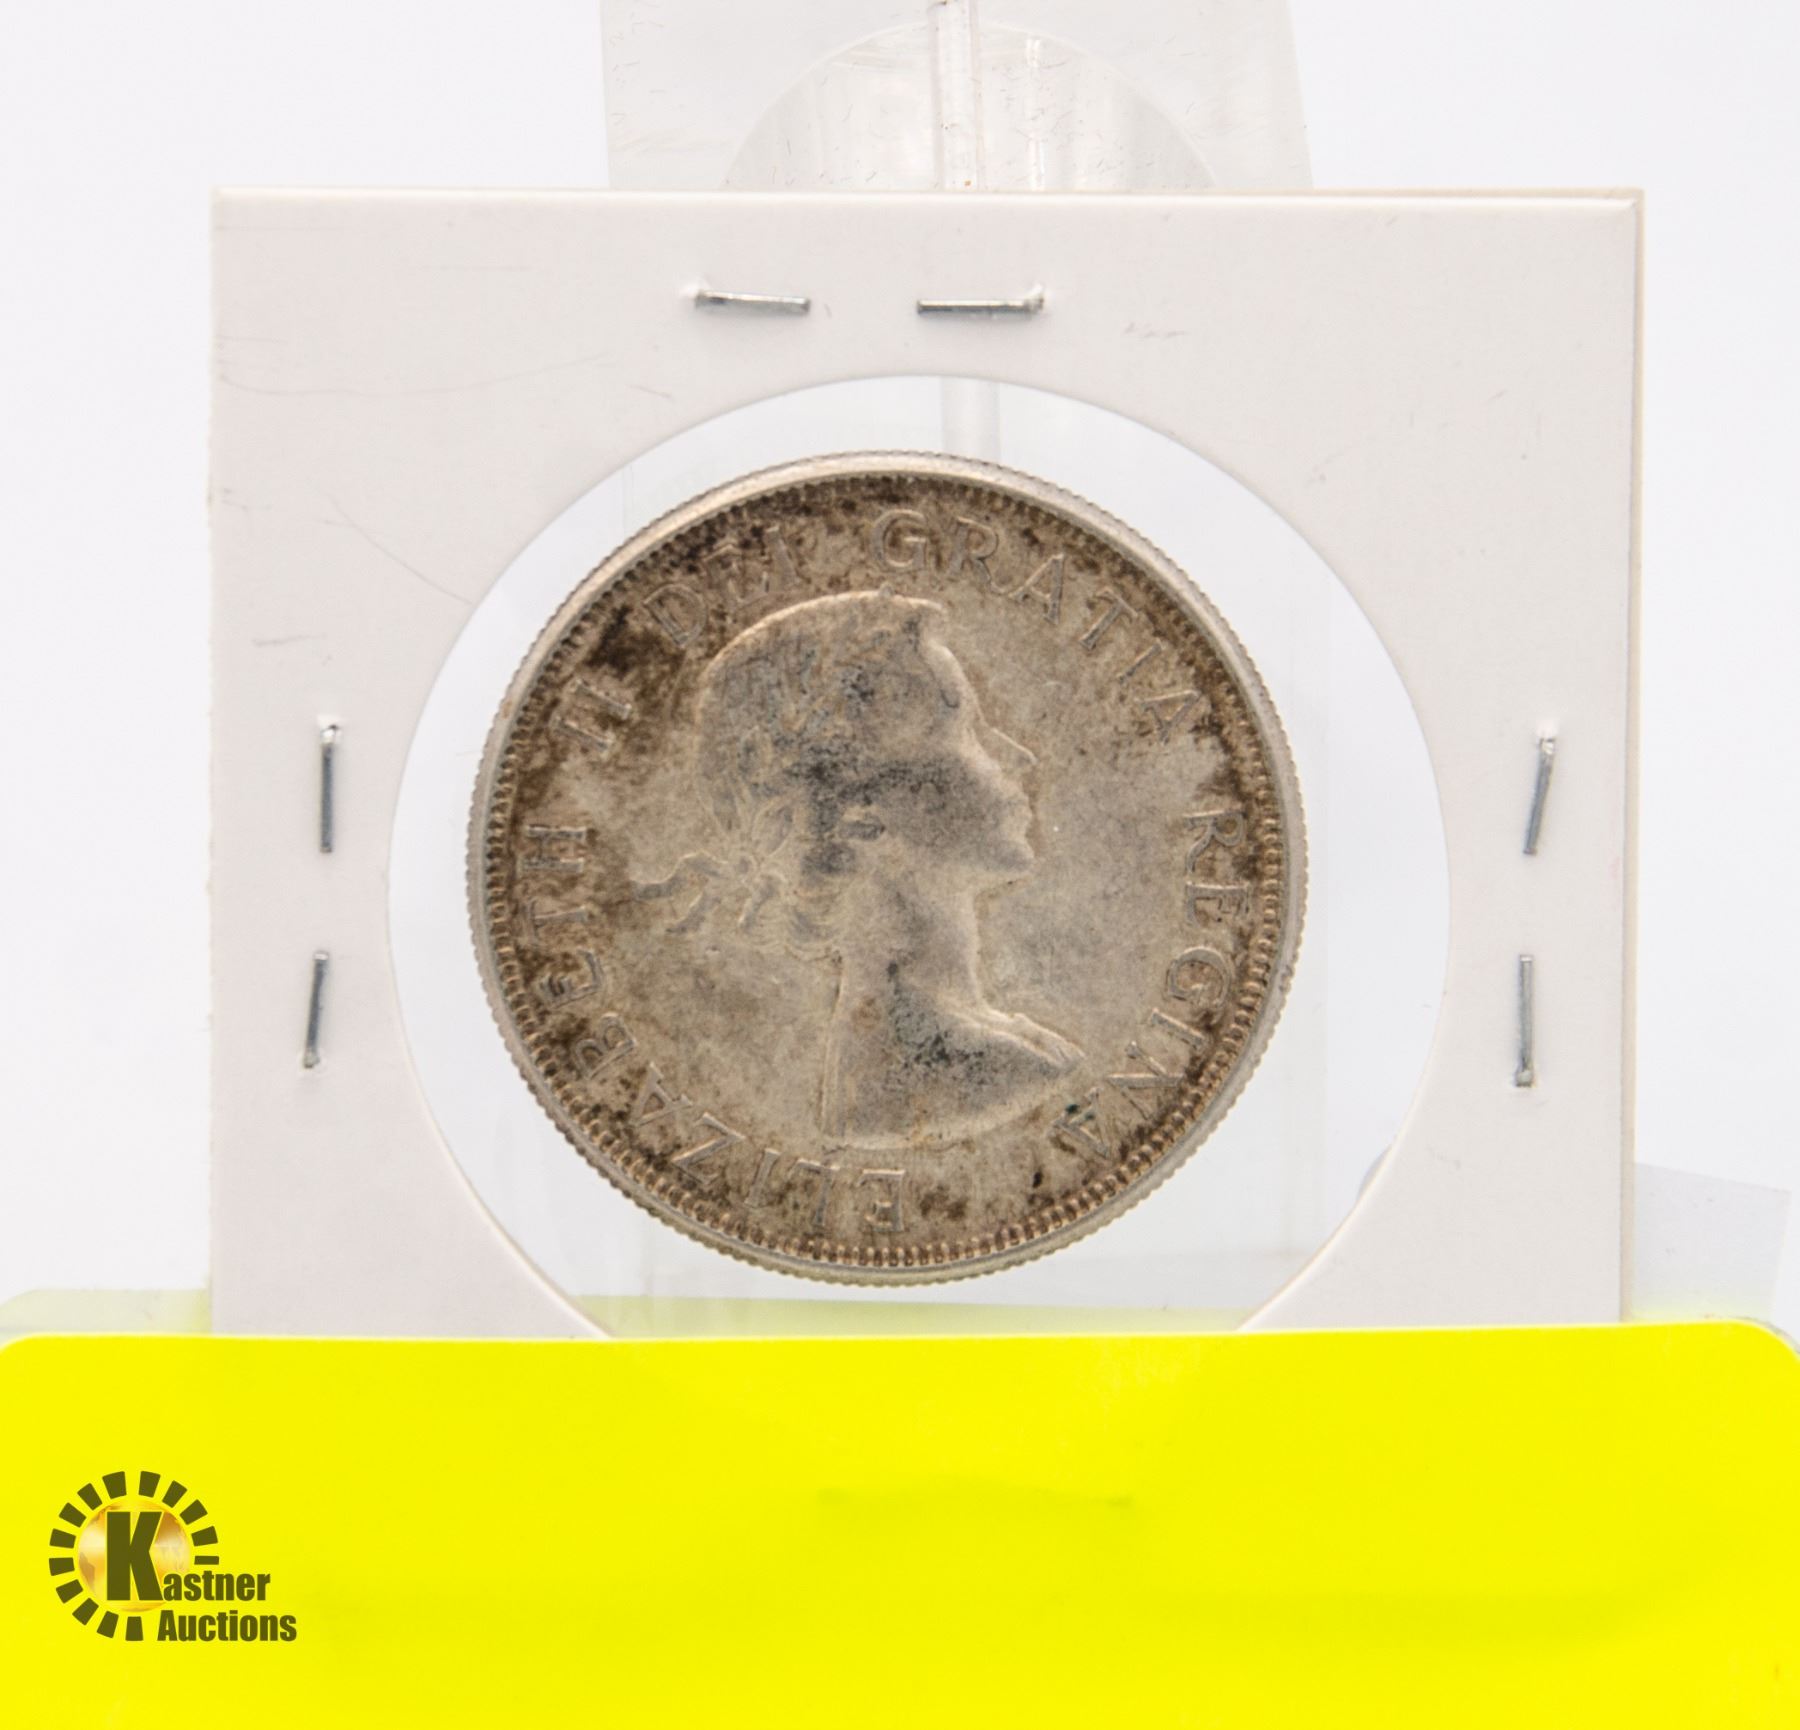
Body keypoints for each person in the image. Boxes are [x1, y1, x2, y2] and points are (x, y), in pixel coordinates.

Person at [687, 589, 1080, 1148]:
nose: (1020, 757)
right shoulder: (991, 1067)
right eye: (966, 729)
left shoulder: (989, 1039)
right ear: (860, 809)